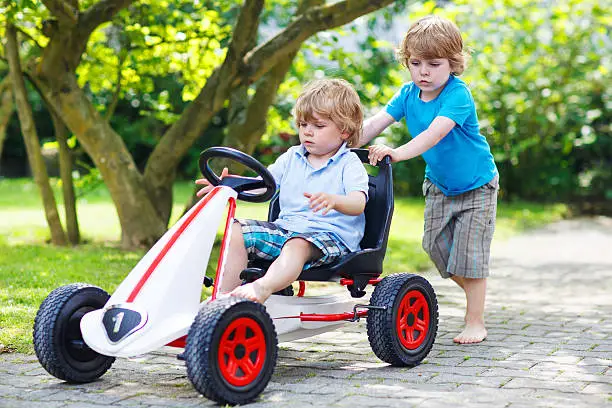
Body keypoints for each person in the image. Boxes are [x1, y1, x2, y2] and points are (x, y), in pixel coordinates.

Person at [363, 15, 499, 344]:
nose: (424, 71)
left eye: (434, 64)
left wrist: (396, 152)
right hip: (440, 184)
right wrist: (339, 142)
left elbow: (433, 135)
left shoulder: (457, 94)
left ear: (453, 64)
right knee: (435, 248)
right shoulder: (408, 94)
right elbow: (376, 122)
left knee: (470, 256)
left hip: (477, 185)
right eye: (416, 63)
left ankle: (475, 320)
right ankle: (475, 290)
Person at [196, 78, 369, 304]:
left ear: (344, 131)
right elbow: (262, 183)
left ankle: (262, 287)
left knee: (296, 244)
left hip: (330, 237)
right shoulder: (291, 157)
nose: (308, 132)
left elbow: (358, 203)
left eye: (318, 126)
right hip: (286, 229)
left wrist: (335, 200)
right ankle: (222, 301)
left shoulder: (348, 164)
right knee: (236, 229)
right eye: (303, 125)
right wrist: (226, 186)